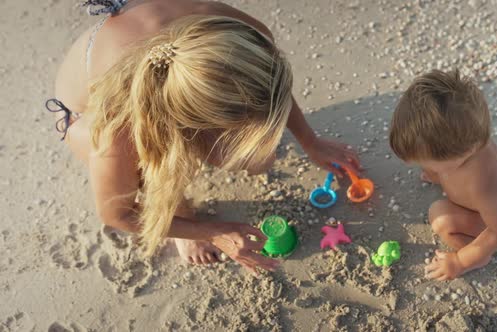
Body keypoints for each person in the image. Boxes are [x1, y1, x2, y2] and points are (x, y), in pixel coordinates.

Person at [47, 0, 361, 274]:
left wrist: (310, 141)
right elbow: (117, 214)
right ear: (193, 135)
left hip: (150, 49)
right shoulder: (120, 130)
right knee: (151, 170)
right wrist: (208, 231)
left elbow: (269, 85)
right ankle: (180, 217)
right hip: (83, 113)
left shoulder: (241, 35)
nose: (274, 153)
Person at [388, 69, 497, 280]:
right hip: (492, 200)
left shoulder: (482, 186)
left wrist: (461, 260)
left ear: (466, 153)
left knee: (440, 216)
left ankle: (480, 258)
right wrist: (437, 171)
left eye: (428, 164)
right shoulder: (471, 136)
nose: (421, 166)